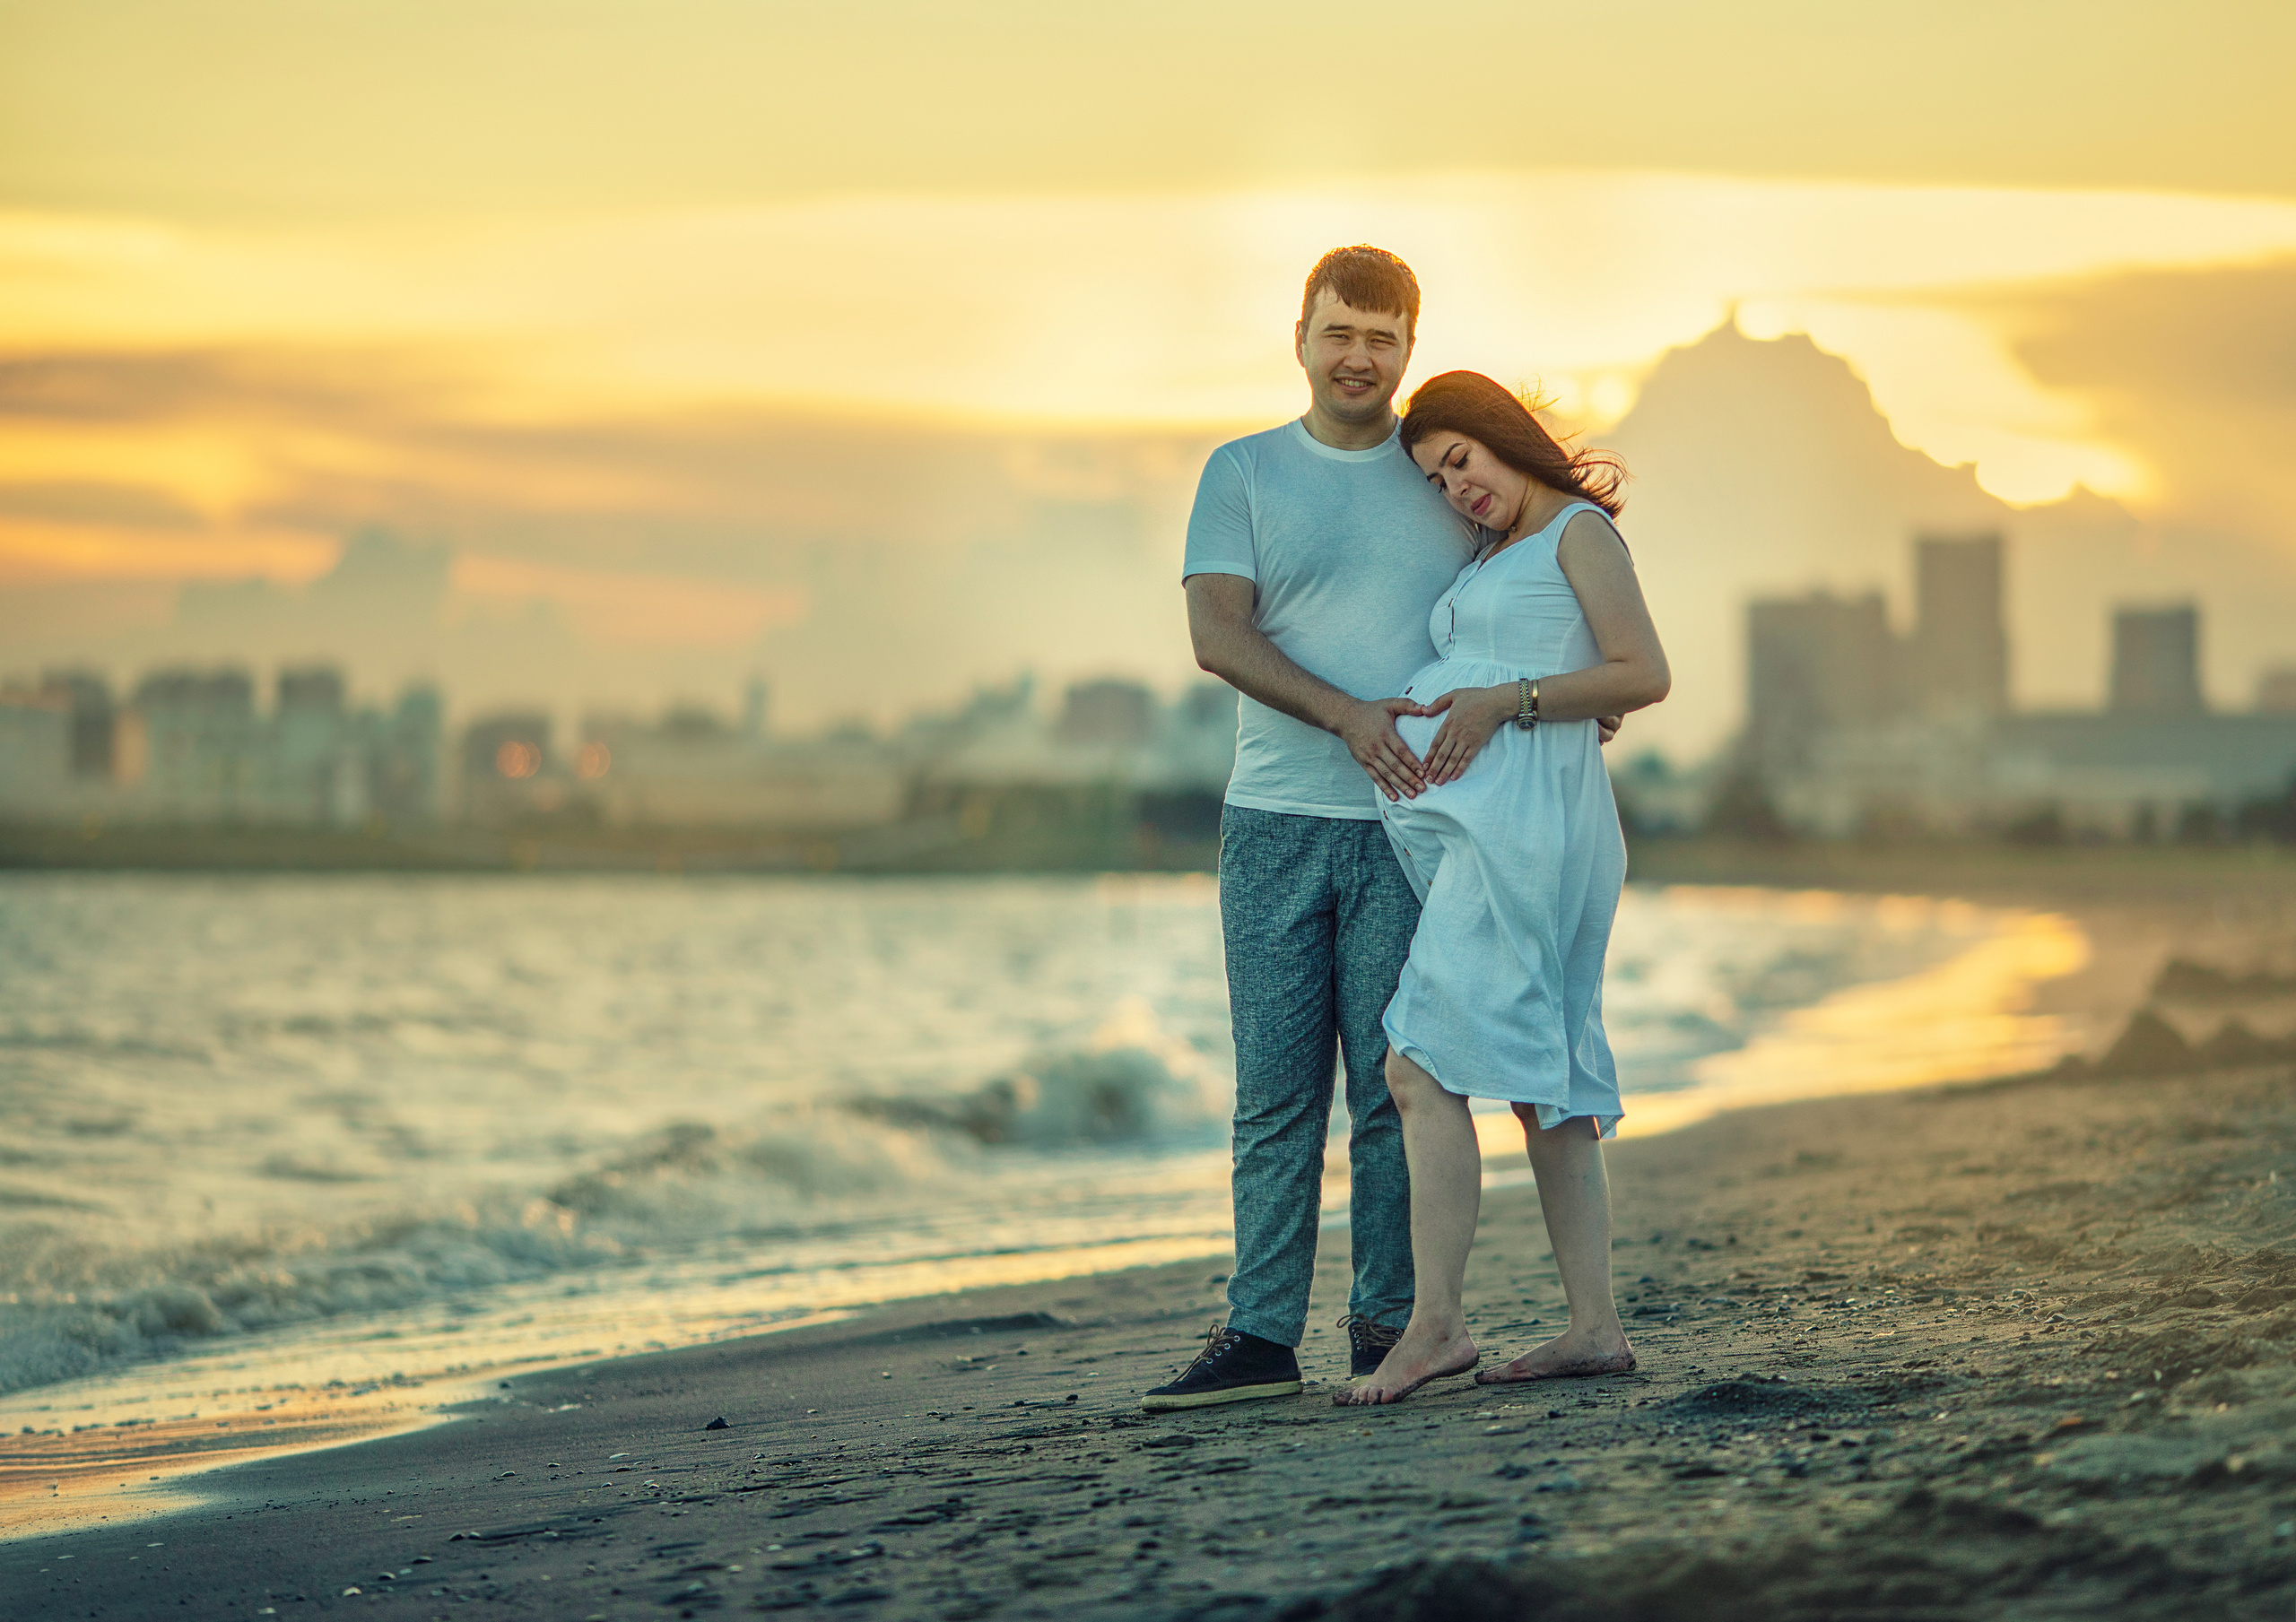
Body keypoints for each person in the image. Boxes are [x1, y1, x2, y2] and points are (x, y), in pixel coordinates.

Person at [1144, 249, 1618, 1411]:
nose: (1360, 355)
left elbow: (1535, 581)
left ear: (1411, 345)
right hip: (1272, 819)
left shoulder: (1441, 470)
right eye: (1338, 332)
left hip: (1424, 829)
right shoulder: (1243, 471)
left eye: (1383, 337)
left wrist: (1565, 701)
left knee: (1396, 1085)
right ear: (1299, 336)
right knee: (1274, 1091)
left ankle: (1387, 1325)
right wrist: (1348, 715)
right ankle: (1259, 1333)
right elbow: (1217, 633)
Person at [1335, 369, 1669, 1406]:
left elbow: (1642, 672)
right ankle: (1594, 1329)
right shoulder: (1504, 552)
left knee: (1417, 1066)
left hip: (1527, 835)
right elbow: (1575, 677)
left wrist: (1508, 702)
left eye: (1461, 461)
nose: (1455, 489)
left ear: (1502, 439)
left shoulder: (1578, 533)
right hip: (1504, 829)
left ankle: (1434, 1325)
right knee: (1546, 1084)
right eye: (1435, 479)